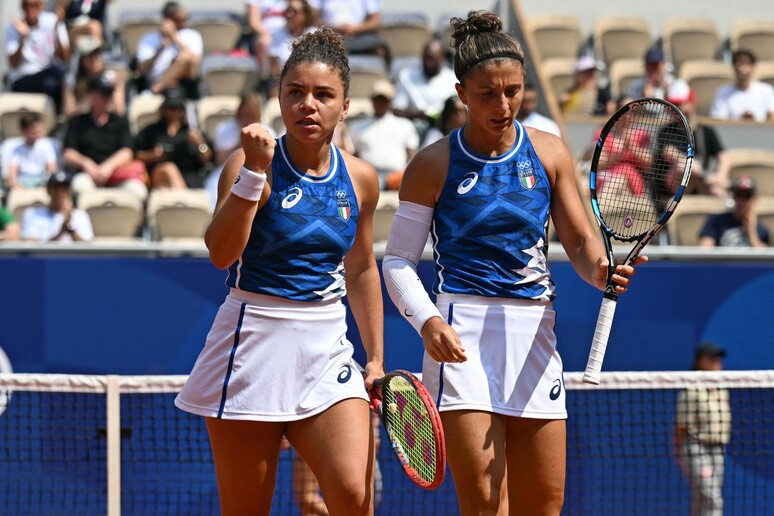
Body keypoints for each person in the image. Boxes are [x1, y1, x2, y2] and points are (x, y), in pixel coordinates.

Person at [381, 10, 646, 515]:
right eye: (487, 93)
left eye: (514, 91)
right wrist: (428, 319)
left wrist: (599, 271)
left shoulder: (549, 153)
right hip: (462, 335)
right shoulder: (432, 164)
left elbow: (579, 239)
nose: (504, 104)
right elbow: (396, 261)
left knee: (544, 505)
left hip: (534, 336)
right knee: (485, 504)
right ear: (461, 93)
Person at [174, 27, 385, 515]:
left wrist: (374, 357)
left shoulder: (361, 179)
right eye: (295, 92)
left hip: (326, 346)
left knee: (354, 495)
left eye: (323, 94)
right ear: (280, 98)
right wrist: (252, 177)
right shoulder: (245, 166)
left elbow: (361, 269)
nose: (307, 104)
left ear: (345, 104)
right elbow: (220, 254)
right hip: (252, 345)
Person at [62, 72, 149, 201]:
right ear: (91, 95)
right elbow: (67, 154)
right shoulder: (78, 122)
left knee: (138, 191)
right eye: (104, 94)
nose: (108, 98)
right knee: (80, 187)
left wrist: (108, 166)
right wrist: (86, 163)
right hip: (88, 174)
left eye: (110, 94)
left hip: (116, 173)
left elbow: (128, 151)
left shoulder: (120, 121)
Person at [674, 342, 732, 516]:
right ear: (700, 361)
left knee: (702, 498)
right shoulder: (691, 392)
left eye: (718, 358)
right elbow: (680, 427)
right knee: (713, 499)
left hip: (718, 449)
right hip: (695, 448)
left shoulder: (722, 390)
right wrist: (679, 453)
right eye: (712, 358)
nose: (717, 361)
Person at [134, 86, 213, 189]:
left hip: (189, 178)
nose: (174, 113)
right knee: (168, 169)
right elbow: (135, 155)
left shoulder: (192, 133)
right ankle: (183, 199)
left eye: (178, 109)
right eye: (170, 108)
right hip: (159, 175)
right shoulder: (151, 131)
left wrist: (199, 143)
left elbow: (207, 159)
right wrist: (152, 155)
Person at [349, 78, 419, 190]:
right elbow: (352, 155)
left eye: (384, 100)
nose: (380, 103)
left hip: (397, 178)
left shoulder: (405, 125)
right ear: (372, 100)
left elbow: (412, 155)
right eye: (378, 99)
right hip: (368, 176)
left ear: (391, 101)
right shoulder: (357, 126)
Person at [663, 81, 729, 197]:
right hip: (675, 188)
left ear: (691, 103)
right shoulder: (666, 131)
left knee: (718, 192)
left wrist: (719, 176)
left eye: (679, 104)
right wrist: (701, 172)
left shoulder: (705, 131)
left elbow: (724, 157)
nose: (675, 109)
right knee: (685, 165)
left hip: (702, 184)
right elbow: (668, 152)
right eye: (672, 104)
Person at [5, 0, 71, 114]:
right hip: (23, 78)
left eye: (34, 5)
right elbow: (13, 63)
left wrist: (57, 29)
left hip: (47, 74)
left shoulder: (52, 21)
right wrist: (23, 38)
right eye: (26, 6)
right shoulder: (13, 27)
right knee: (51, 80)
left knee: (63, 76)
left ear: (41, 7)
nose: (29, 9)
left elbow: (65, 57)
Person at [135, 1, 203, 96]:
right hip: (155, 79)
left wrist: (174, 37)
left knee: (186, 57)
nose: (184, 23)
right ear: (167, 19)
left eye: (186, 19)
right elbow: (142, 69)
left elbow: (195, 61)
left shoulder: (192, 35)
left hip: (185, 83)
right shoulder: (148, 39)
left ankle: (155, 90)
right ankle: (161, 86)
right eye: (179, 20)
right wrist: (161, 47)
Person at [391, 37, 459, 131]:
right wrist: (417, 116)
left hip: (444, 129)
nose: (428, 63)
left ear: (442, 57)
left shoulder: (452, 79)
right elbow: (397, 110)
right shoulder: (406, 76)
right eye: (426, 58)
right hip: (414, 127)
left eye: (432, 59)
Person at [62, 35, 126, 117]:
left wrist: (113, 90)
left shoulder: (112, 76)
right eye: (90, 55)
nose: (95, 59)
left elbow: (119, 111)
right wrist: (87, 104)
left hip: (108, 122)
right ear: (81, 60)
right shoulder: (72, 81)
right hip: (82, 123)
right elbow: (68, 112)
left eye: (97, 53)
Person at [20, 171, 93, 242]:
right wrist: (60, 233)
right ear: (48, 191)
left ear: (69, 192)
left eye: (63, 189)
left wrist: (70, 228)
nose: (60, 193)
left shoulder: (80, 215)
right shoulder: (33, 214)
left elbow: (87, 247)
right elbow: (32, 247)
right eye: (56, 189)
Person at [698, 176, 770, 248]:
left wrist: (751, 232)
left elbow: (763, 257)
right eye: (738, 195)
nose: (741, 200)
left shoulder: (761, 230)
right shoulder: (716, 221)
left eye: (746, 196)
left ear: (754, 199)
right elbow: (705, 251)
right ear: (733, 196)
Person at [312, 0, 389, 65]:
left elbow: (375, 23)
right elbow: (312, 20)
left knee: (380, 49)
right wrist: (336, 29)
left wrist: (356, 29)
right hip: (329, 36)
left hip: (360, 36)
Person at [266, 0, 317, 96]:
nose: (289, 15)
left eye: (294, 11)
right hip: (284, 85)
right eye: (287, 11)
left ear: (305, 15)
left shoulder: (314, 35)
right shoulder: (276, 35)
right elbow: (273, 69)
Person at [709, 49, 774, 122]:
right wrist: (741, 120)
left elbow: (772, 117)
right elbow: (718, 120)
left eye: (747, 64)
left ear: (753, 67)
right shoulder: (723, 93)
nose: (743, 69)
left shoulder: (766, 90)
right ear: (734, 67)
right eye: (739, 64)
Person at [5, 113, 59, 190]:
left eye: (39, 128)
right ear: (24, 131)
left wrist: (49, 183)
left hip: (42, 183)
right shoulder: (17, 150)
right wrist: (14, 185)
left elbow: (52, 168)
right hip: (22, 184)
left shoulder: (47, 146)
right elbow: (11, 172)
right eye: (33, 129)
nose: (37, 131)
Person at [245, 0, 289, 73]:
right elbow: (253, 22)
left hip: (289, 31)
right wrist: (264, 33)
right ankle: (265, 76)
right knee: (263, 41)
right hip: (266, 33)